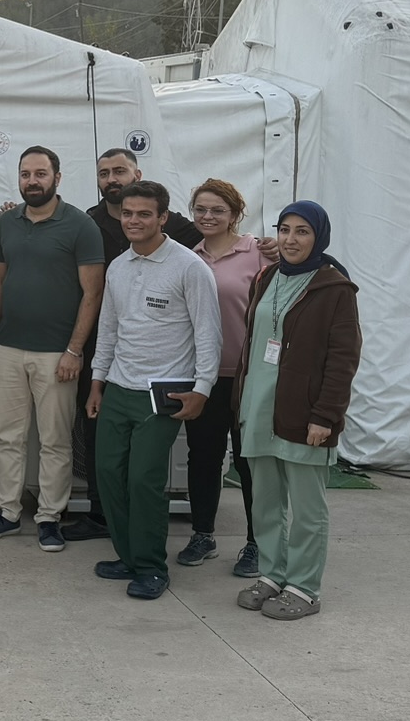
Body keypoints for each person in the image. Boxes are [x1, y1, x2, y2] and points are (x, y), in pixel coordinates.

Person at [86, 180, 222, 600]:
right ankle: (128, 556)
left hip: (162, 391)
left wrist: (202, 388)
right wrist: (97, 382)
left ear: (163, 217)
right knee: (108, 474)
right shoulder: (118, 266)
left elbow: (209, 334)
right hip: (117, 385)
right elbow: (108, 329)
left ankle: (150, 568)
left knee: (144, 480)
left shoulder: (190, 268)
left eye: (144, 214)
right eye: (128, 213)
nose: (134, 221)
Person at [62, 145, 202, 539]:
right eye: (104, 173)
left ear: (136, 176)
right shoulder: (87, 223)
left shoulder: (172, 225)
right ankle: (102, 514)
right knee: (98, 437)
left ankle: (146, 533)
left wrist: (259, 244)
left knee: (145, 461)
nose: (112, 179)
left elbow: (215, 236)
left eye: (119, 171)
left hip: (160, 363)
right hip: (103, 349)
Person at [233, 202, 361, 621]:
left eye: (302, 231)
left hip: (305, 414)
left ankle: (304, 588)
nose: (290, 239)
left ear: (318, 236)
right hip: (259, 407)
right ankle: (273, 575)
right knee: (265, 502)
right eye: (284, 229)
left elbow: (343, 360)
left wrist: (325, 415)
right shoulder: (266, 277)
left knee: (307, 508)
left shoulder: (335, 289)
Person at [0, 146, 105, 551]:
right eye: (25, 174)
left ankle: (50, 516)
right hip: (8, 348)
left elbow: (93, 293)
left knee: (54, 440)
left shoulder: (81, 226)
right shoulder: (7, 222)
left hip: (57, 353)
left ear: (57, 178)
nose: (32, 181)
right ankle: (7, 511)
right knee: (8, 436)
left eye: (40, 174)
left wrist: (74, 350)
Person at [182, 178, 269, 576]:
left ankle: (257, 542)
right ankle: (203, 534)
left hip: (248, 376)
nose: (208, 216)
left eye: (217, 210)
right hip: (204, 376)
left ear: (235, 214)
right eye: (201, 209)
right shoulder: (188, 256)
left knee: (250, 461)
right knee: (202, 456)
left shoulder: (259, 253)